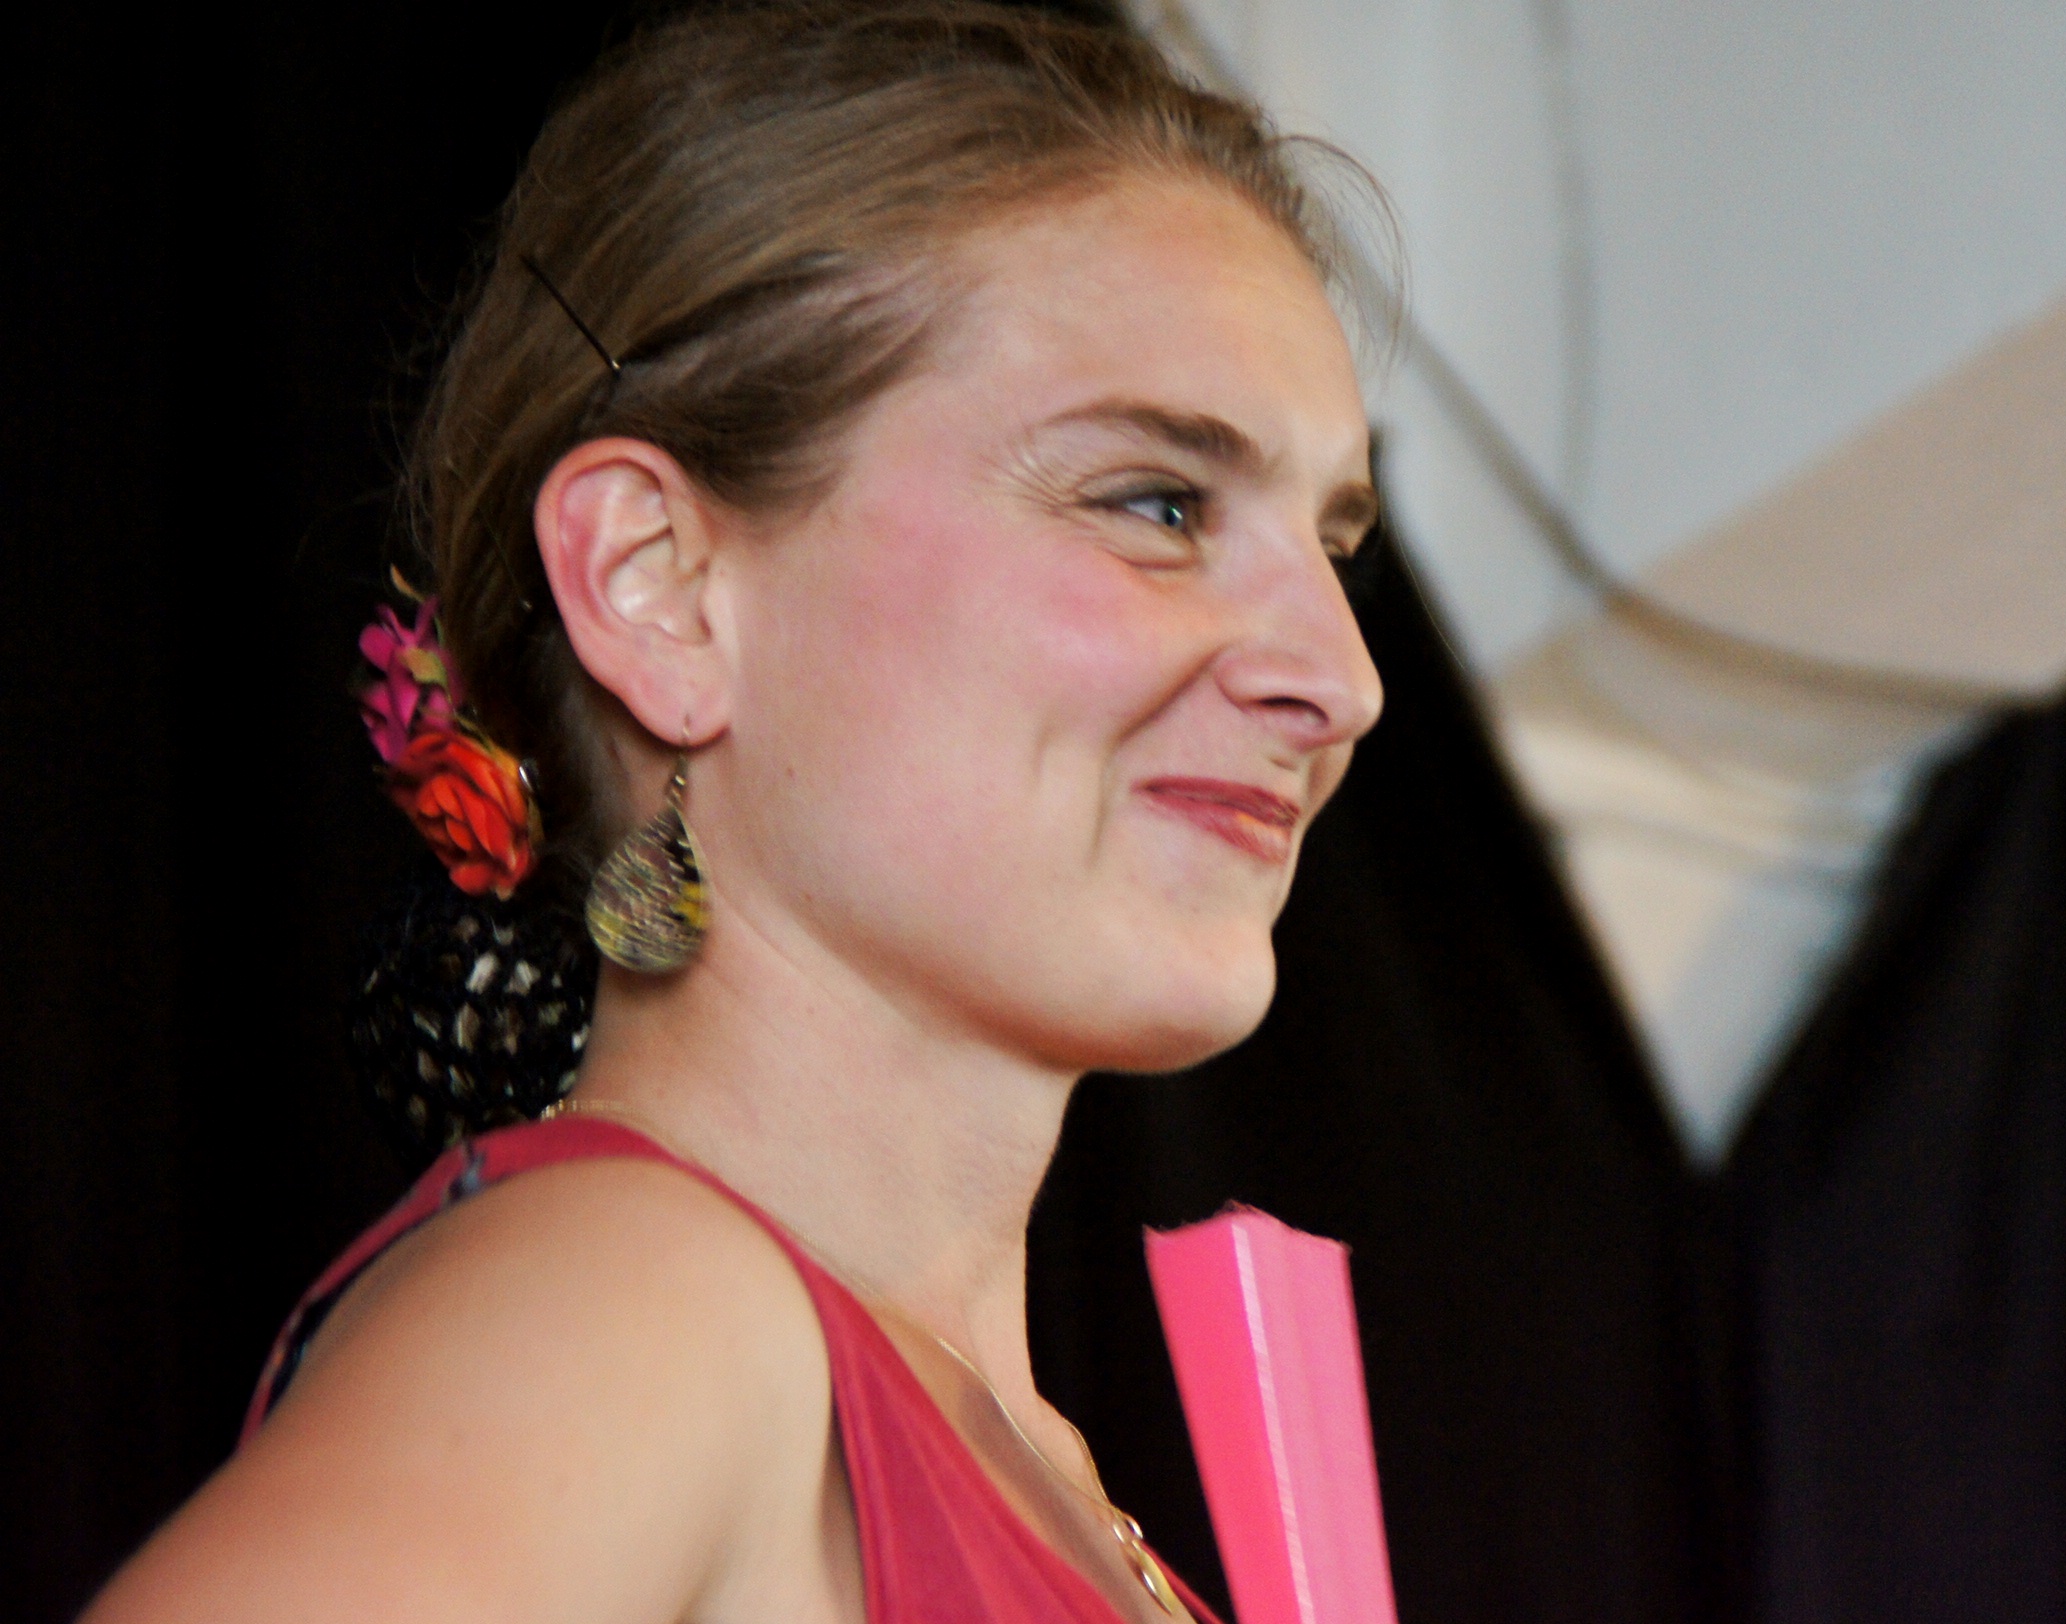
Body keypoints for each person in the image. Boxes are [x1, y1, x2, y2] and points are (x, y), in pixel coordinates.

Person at [83, 5, 1385, 1620]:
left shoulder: (1049, 1476)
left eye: (1334, 546)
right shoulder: (640, 1303)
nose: (1340, 681)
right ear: (661, 586)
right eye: (1158, 504)